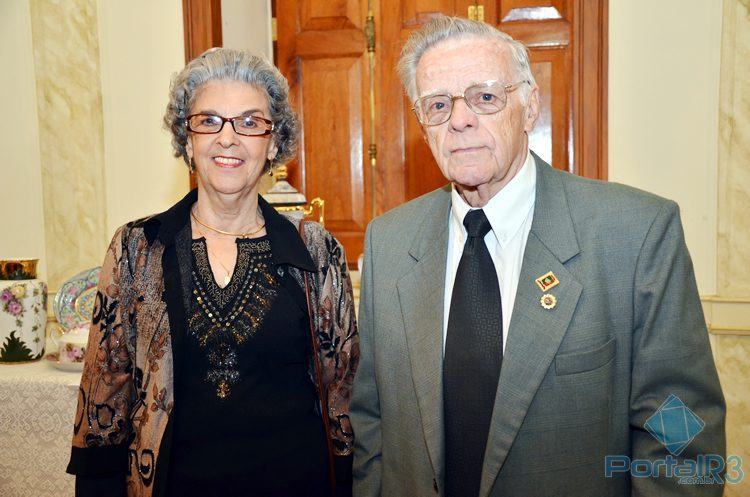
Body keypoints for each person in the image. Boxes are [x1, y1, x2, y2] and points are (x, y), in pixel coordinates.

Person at [350, 16, 725, 497]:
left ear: (529, 107)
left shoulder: (635, 234)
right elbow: (372, 421)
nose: (460, 119)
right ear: (423, 125)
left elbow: (682, 432)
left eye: (485, 96)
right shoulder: (388, 242)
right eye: (438, 104)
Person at [66, 48, 359, 497]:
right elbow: (105, 395)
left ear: (274, 142)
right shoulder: (137, 248)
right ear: (186, 141)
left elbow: (342, 399)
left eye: (249, 122)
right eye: (209, 121)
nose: (228, 138)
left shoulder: (315, 251)